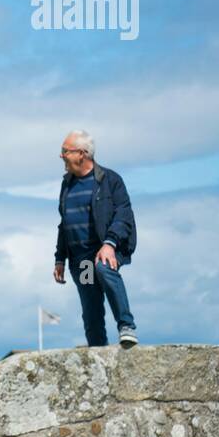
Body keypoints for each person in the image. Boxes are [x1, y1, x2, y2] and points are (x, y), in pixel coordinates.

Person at [53, 130, 138, 349]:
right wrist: (60, 258)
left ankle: (126, 327)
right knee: (91, 311)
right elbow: (65, 223)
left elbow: (124, 215)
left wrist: (110, 243)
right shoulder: (67, 184)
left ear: (81, 154)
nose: (61, 156)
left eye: (65, 151)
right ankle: (98, 353)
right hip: (81, 260)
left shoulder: (110, 180)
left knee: (103, 268)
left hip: (104, 250)